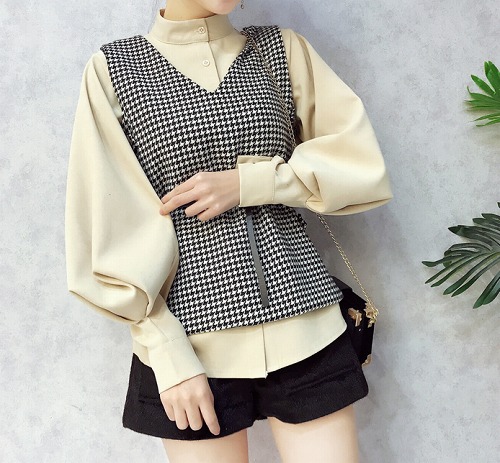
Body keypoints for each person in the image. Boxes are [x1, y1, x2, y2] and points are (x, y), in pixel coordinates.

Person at [65, 0, 393, 462]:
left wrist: (250, 183)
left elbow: (358, 163)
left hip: (308, 330)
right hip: (191, 347)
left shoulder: (282, 50)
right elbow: (109, 227)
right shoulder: (112, 70)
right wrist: (165, 349)